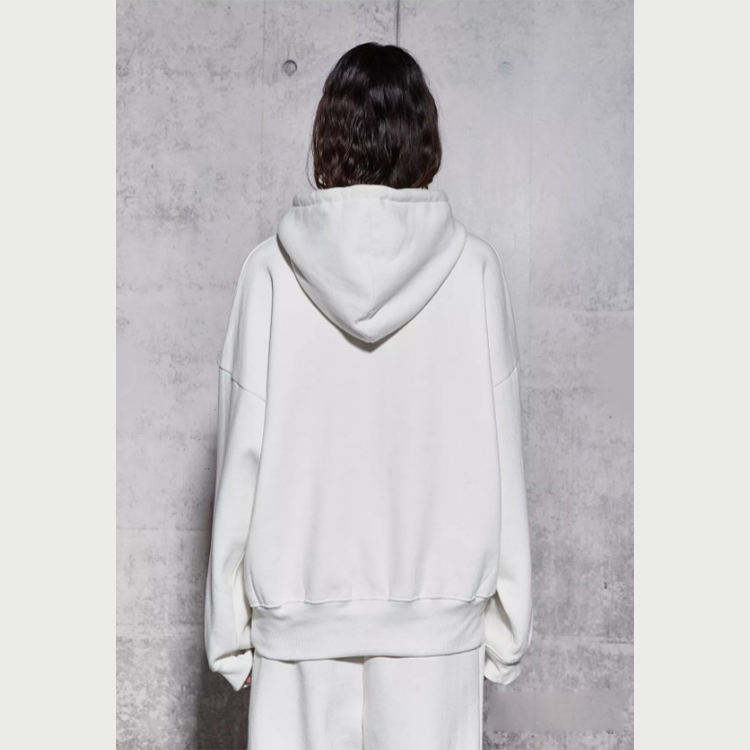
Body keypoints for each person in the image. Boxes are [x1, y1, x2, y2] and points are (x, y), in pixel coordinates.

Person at [204, 42, 532, 749]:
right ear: (424, 136)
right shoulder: (474, 271)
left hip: (298, 636)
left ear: (329, 133)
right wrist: (506, 628)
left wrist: (230, 635)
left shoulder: (269, 272)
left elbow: (240, 455)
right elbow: (503, 451)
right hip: (436, 639)